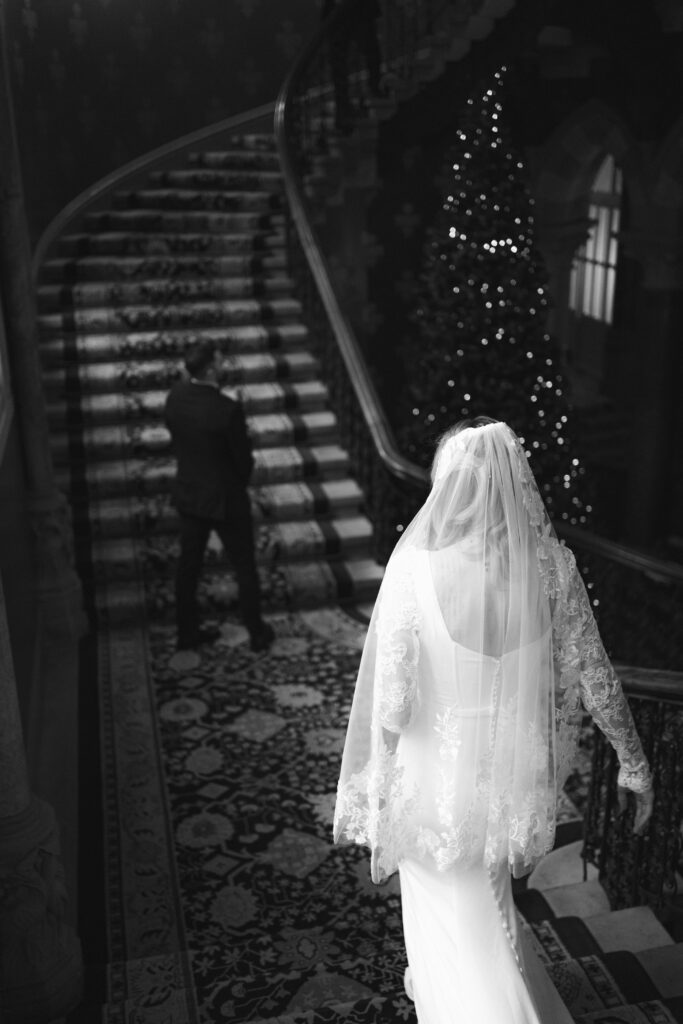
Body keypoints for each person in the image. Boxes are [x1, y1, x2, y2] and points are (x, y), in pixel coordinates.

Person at [334, 417, 654, 1023]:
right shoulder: (552, 567)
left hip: (432, 783)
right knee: (487, 908)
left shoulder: (418, 567)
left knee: (460, 914)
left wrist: (378, 788)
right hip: (509, 779)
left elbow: (394, 702)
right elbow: (596, 677)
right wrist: (634, 764)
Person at [164, 339, 275, 654]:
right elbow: (244, 461)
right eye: (221, 361)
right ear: (211, 368)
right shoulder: (227, 410)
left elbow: (174, 434)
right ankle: (256, 632)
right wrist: (234, 482)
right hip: (226, 498)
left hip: (190, 493)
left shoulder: (175, 398)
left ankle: (187, 632)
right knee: (244, 566)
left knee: (189, 567)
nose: (225, 366)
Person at [322, 0, 383, 133]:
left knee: (371, 51)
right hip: (341, 11)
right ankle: (343, 110)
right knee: (338, 62)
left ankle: (374, 89)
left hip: (357, 9)